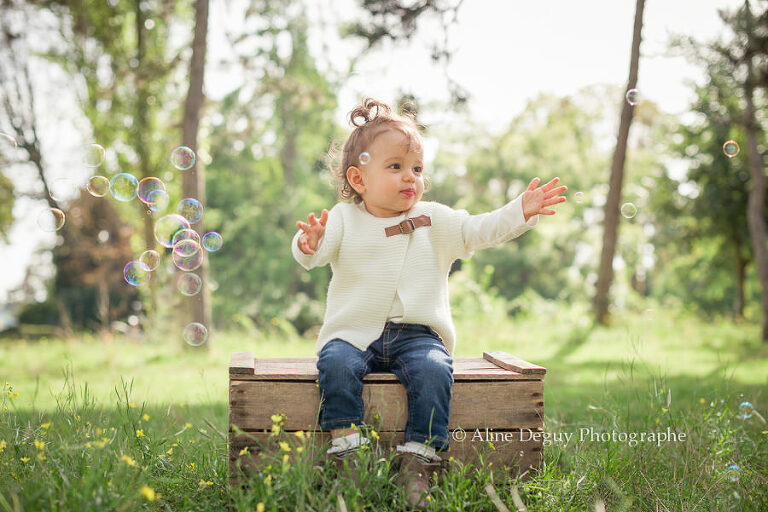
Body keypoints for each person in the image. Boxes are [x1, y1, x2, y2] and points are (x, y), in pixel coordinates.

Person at [291, 98, 567, 508]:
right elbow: (315, 251)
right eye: (396, 167)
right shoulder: (345, 219)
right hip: (353, 332)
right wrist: (307, 243)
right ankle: (347, 452)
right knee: (334, 365)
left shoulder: (436, 218)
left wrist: (519, 211)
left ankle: (419, 460)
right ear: (359, 178)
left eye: (417, 169)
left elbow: (480, 229)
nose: (411, 178)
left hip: (417, 334)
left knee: (435, 370)